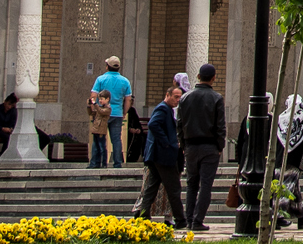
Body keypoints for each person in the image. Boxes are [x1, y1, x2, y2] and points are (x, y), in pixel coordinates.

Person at [177, 62, 226, 233]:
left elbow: (179, 124)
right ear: (213, 78)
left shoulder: (184, 98)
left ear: (198, 76)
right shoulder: (216, 98)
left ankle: (189, 219)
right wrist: (220, 146)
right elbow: (220, 126)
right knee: (206, 185)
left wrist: (183, 145)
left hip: (190, 146)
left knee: (191, 184)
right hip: (209, 146)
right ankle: (198, 219)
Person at [132, 78, 185, 221]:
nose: (177, 100)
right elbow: (153, 124)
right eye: (175, 97)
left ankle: (143, 215)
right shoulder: (163, 108)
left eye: (180, 97)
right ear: (167, 95)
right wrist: (167, 143)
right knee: (174, 188)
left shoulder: (166, 109)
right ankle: (181, 220)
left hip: (155, 156)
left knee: (152, 187)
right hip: (162, 156)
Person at [271, 95, 303, 230]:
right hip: (295, 161)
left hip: (279, 160)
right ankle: (276, 218)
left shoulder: (280, 119)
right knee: (286, 189)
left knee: (293, 190)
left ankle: (301, 219)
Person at [90, 56, 133, 167]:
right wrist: (124, 112)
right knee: (116, 140)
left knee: (98, 138)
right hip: (117, 113)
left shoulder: (101, 79)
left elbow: (93, 96)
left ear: (107, 67)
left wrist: (94, 110)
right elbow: (128, 99)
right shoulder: (125, 81)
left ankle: (96, 163)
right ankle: (117, 163)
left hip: (102, 114)